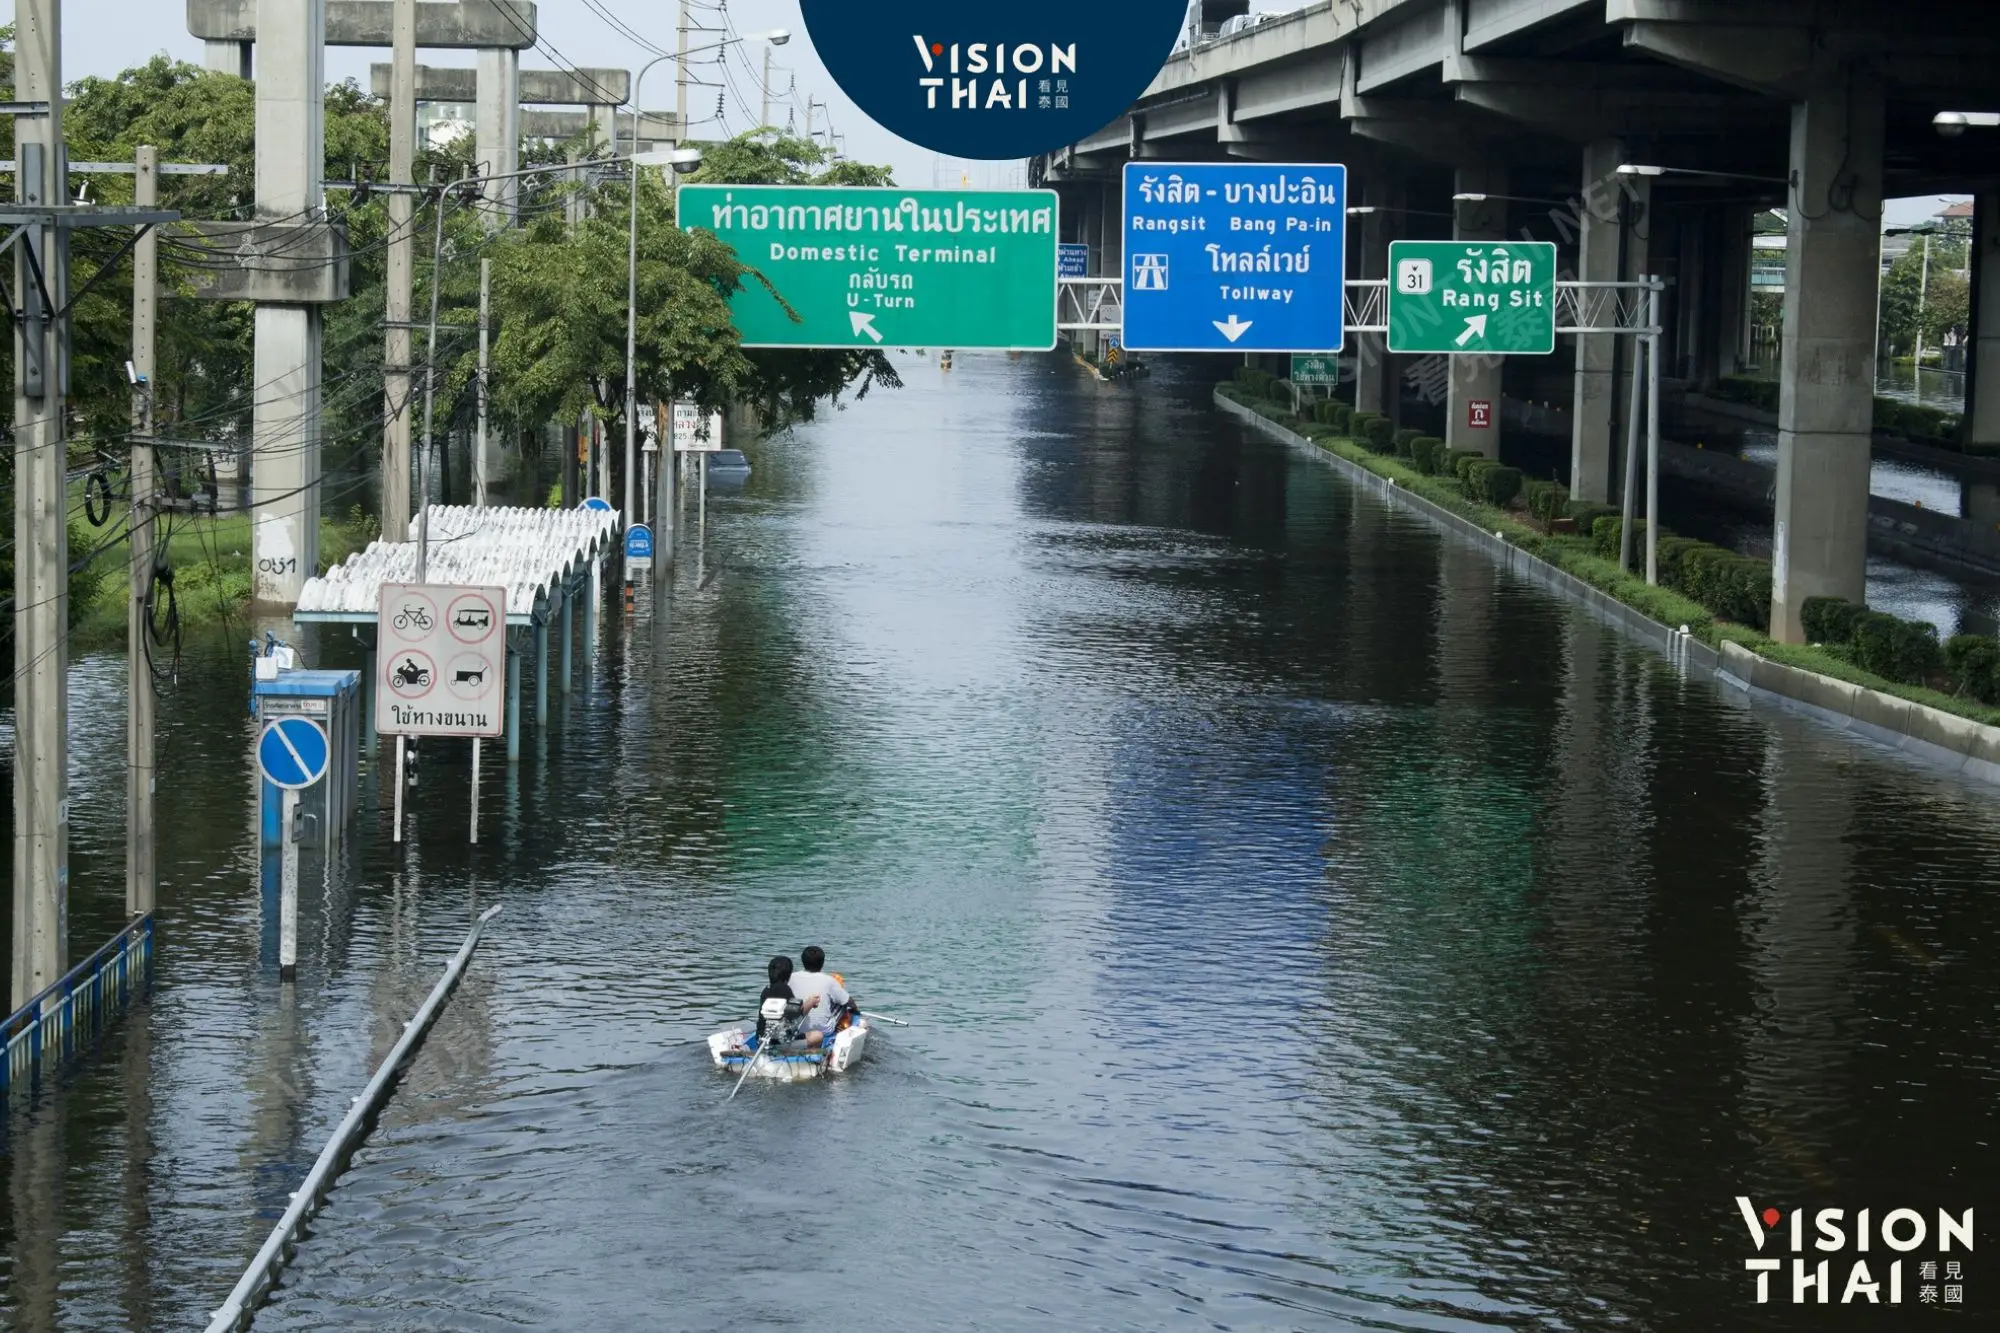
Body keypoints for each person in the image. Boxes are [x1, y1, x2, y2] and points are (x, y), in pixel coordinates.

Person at [790, 945, 856, 1040]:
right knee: (843, 1003)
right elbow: (849, 1002)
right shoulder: (829, 980)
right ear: (822, 962)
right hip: (823, 1031)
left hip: (795, 1029)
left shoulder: (791, 977)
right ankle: (841, 1028)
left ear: (802, 961)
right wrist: (856, 1012)